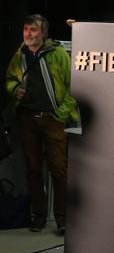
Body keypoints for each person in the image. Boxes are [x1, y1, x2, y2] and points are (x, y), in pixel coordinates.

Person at [5, 14, 78, 234]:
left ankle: (62, 219)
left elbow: (74, 85)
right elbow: (9, 80)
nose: (28, 34)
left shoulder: (57, 54)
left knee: (59, 169)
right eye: (26, 29)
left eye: (33, 30)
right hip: (27, 118)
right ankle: (38, 216)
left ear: (43, 33)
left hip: (52, 119)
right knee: (33, 169)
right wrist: (14, 89)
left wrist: (60, 114)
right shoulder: (20, 54)